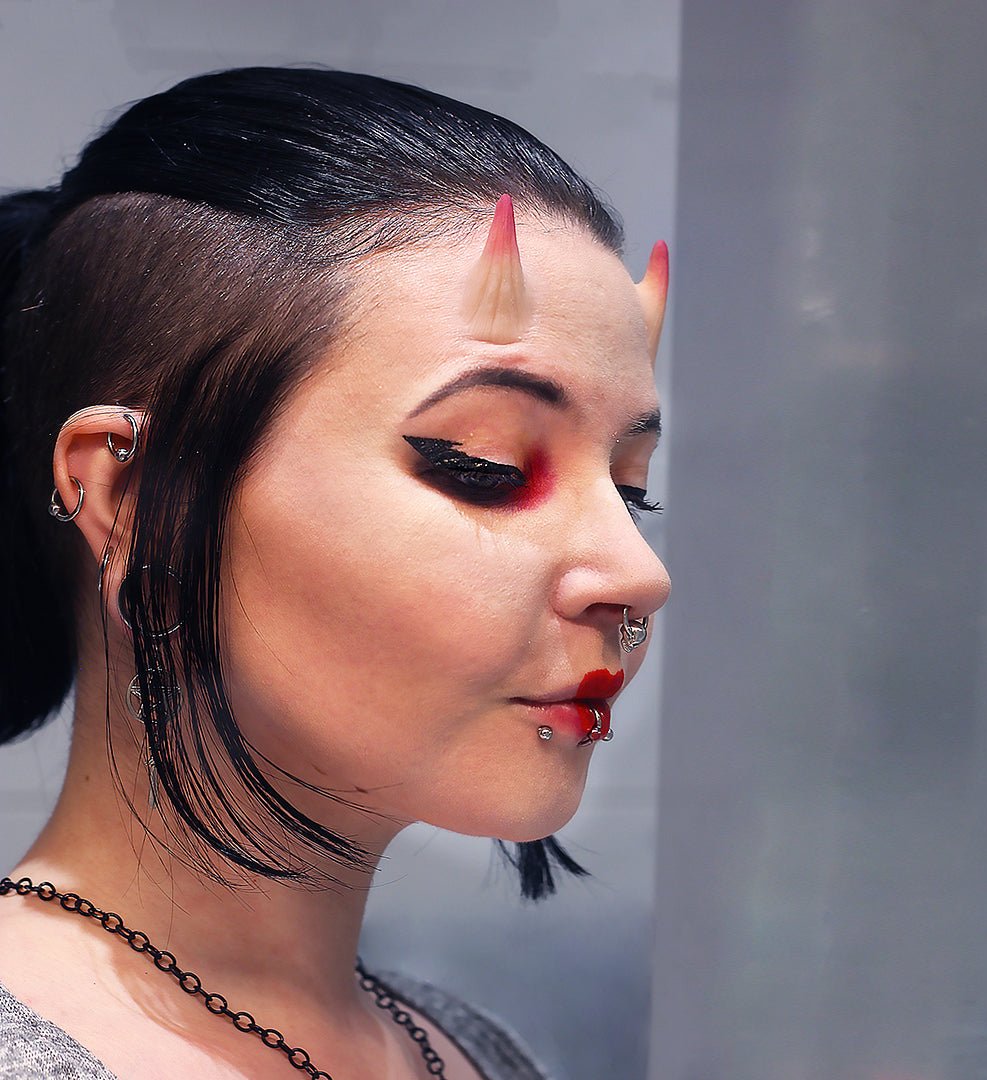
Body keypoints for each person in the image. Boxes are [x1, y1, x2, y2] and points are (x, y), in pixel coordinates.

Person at [0, 67, 671, 1079]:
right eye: (480, 466)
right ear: (127, 500)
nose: (636, 571)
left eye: (632, 487)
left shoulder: (475, 1054)